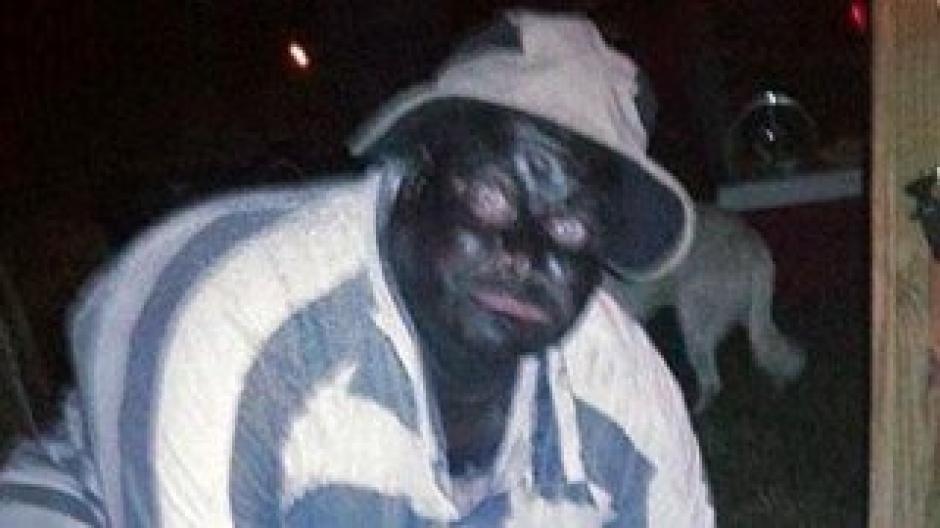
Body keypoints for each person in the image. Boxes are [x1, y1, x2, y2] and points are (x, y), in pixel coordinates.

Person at [0, 10, 713, 527]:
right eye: (493, 196)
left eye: (570, 225)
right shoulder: (245, 337)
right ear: (413, 176)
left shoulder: (622, 391)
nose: (526, 256)